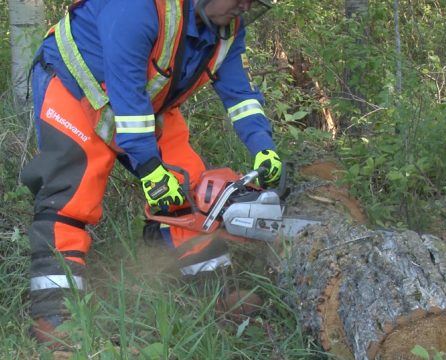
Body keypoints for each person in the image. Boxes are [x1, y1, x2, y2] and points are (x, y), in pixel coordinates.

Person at [20, 0, 282, 347]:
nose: (244, 6)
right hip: (76, 85)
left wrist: (262, 146)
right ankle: (55, 316)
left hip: (143, 102)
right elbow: (125, 90)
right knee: (70, 197)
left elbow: (239, 96)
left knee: (189, 187)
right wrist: (148, 167)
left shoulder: (226, 28)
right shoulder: (137, 6)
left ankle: (210, 285)